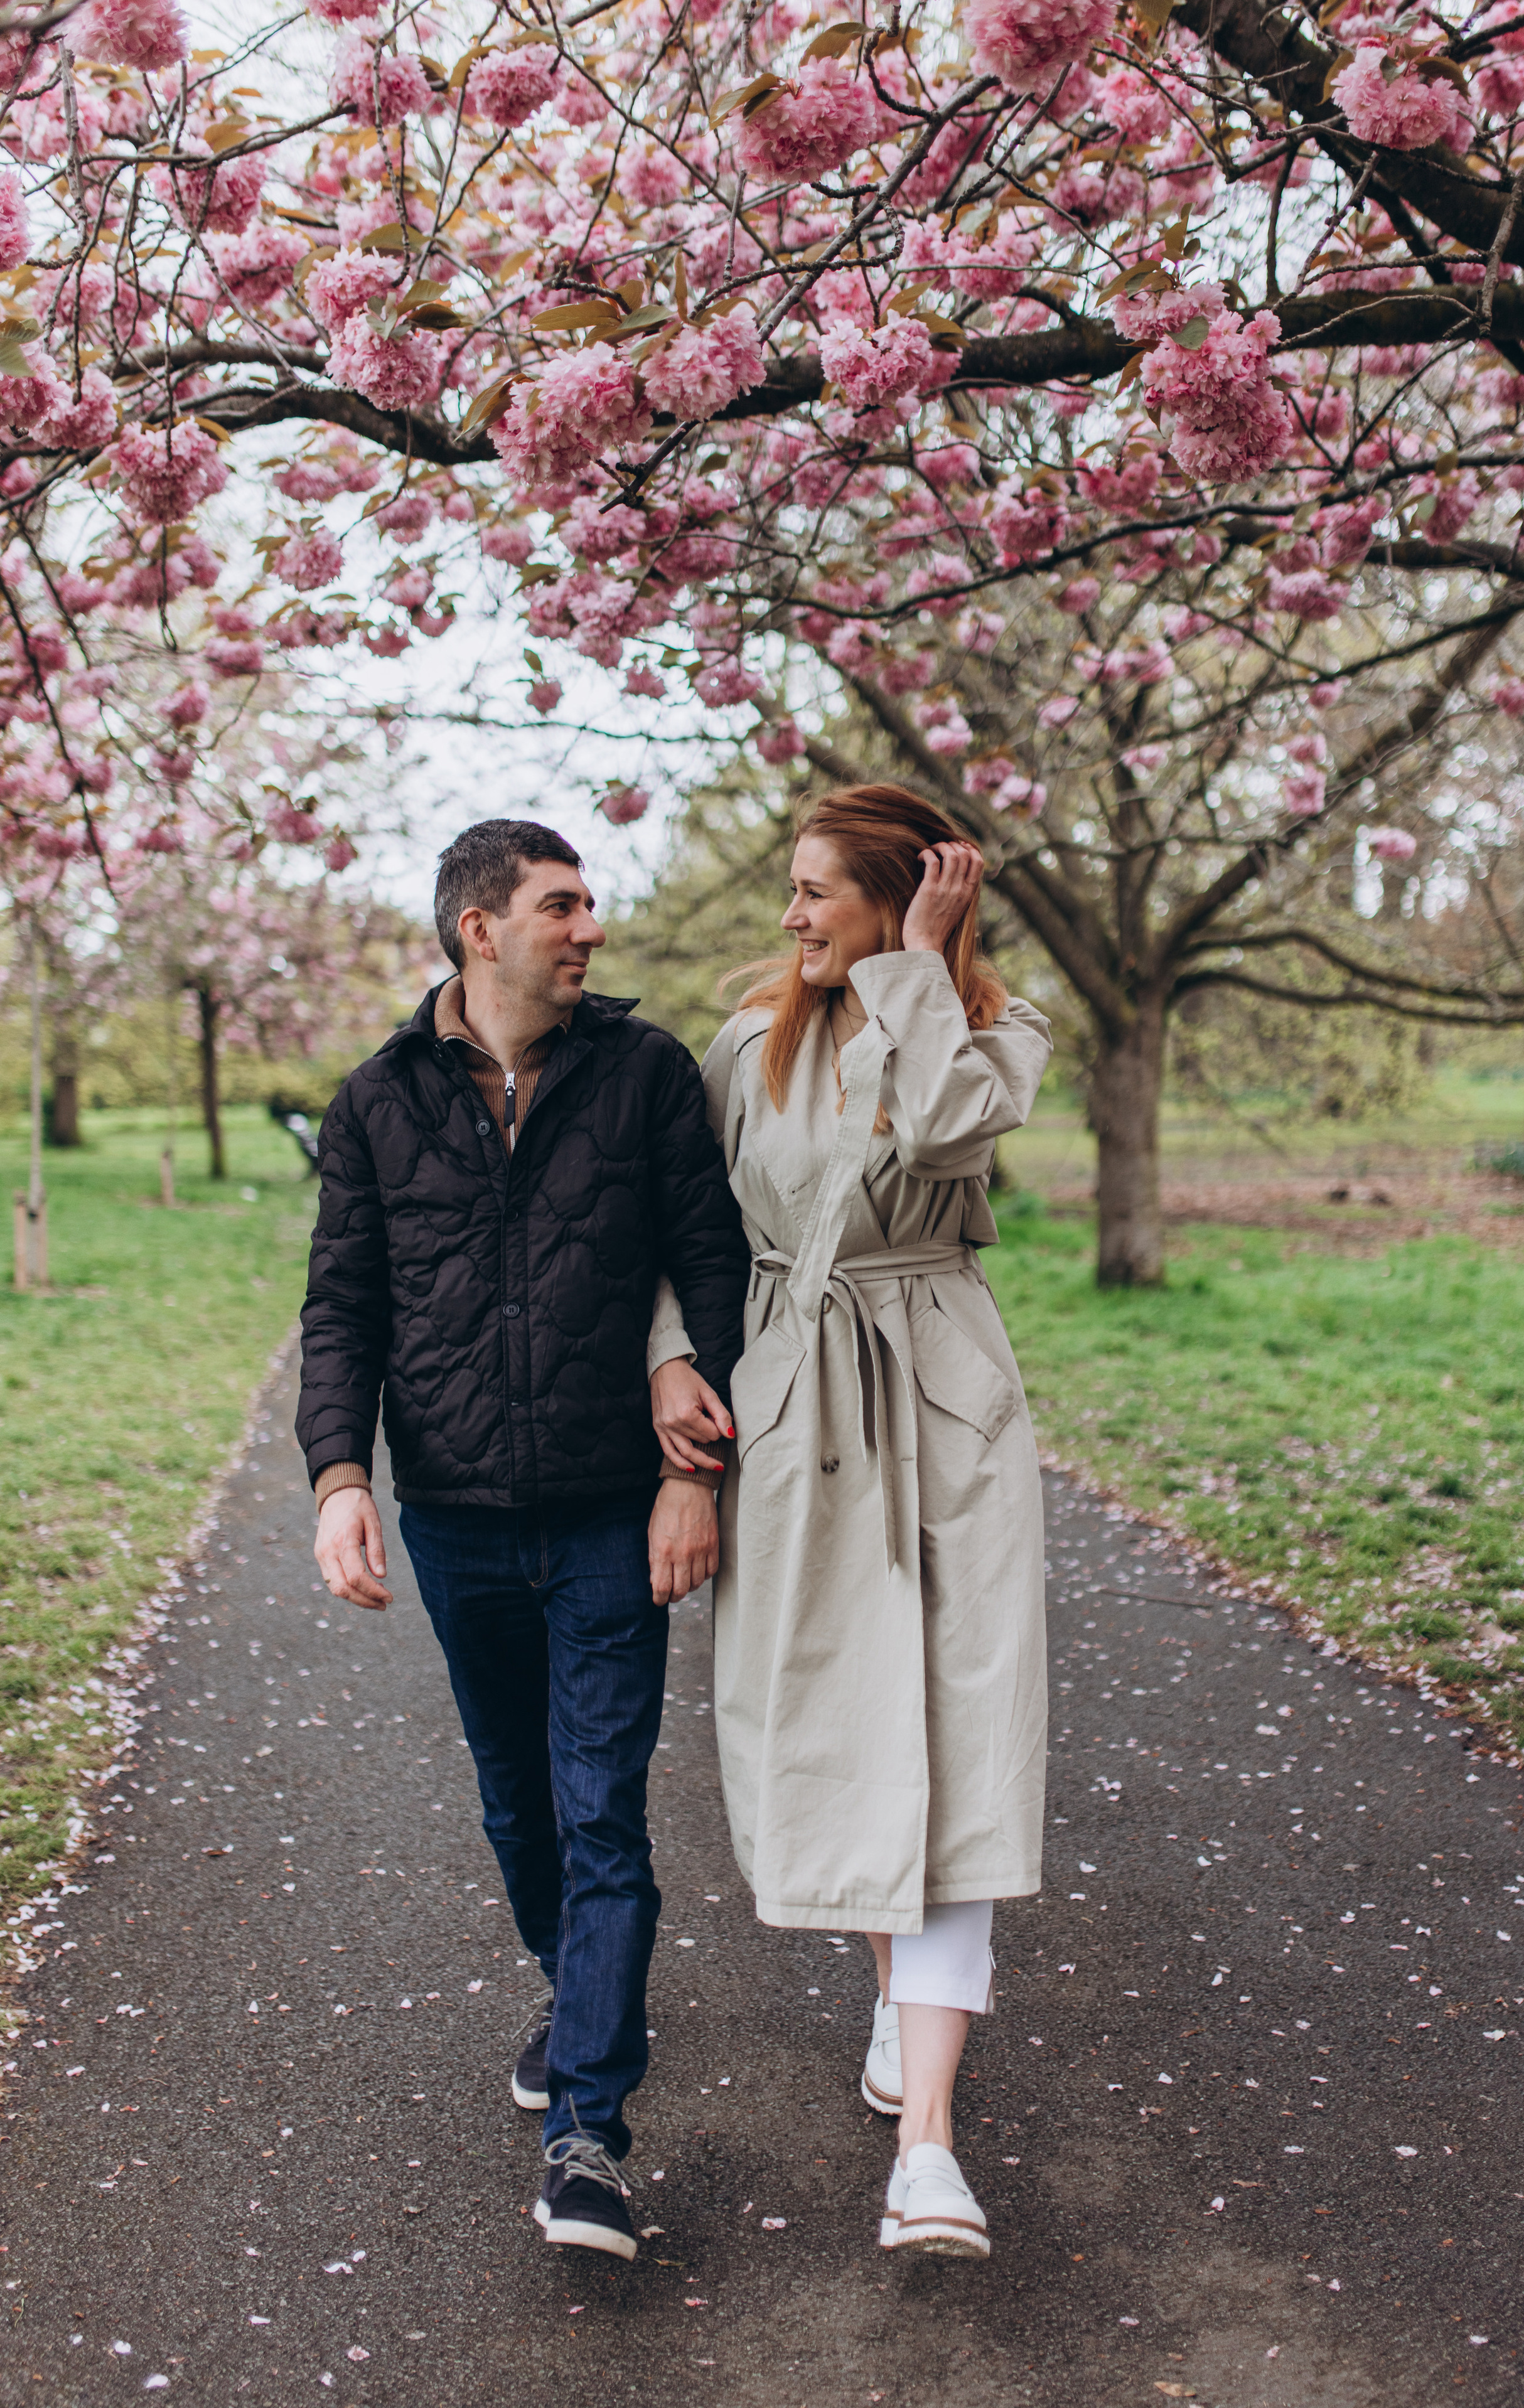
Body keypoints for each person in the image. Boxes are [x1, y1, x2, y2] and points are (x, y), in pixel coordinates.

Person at [298, 818, 748, 2264]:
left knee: (601, 1807)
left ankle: (589, 2132)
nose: (590, 927)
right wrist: (338, 1475)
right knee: (518, 1803)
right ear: (478, 927)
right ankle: (578, 1987)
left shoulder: (647, 1073)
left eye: (591, 901)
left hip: (615, 1505)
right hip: (456, 1519)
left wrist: (694, 1474)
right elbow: (342, 1307)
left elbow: (711, 1267)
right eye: (562, 904)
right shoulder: (377, 1101)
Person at [650, 783, 1053, 2258]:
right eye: (793, 887)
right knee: (844, 1720)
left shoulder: (995, 1032)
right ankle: (896, 1987)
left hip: (942, 1412)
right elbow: (677, 1231)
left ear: (899, 897)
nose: (791, 914)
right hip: (790, 1400)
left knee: (955, 1736)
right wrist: (668, 1363)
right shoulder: (744, 1046)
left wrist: (918, 968)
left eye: (818, 889)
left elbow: (943, 1129)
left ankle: (928, 2146)